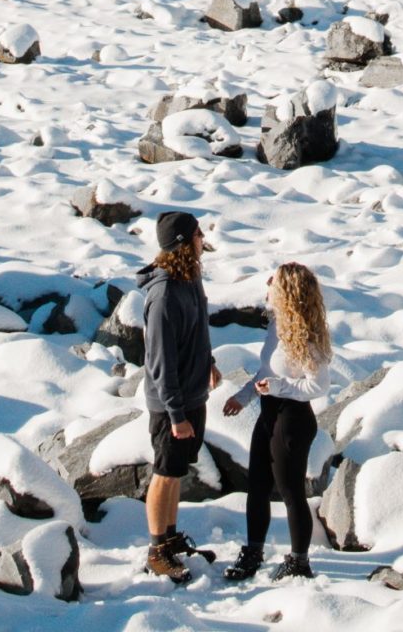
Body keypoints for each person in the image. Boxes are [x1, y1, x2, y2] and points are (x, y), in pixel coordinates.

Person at [221, 261, 332, 584]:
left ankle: (300, 561)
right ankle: (253, 551)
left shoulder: (307, 335)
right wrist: (242, 397)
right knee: (256, 485)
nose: (267, 285)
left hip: (294, 418)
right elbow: (266, 374)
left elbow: (318, 386)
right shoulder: (277, 325)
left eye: (274, 283)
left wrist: (279, 388)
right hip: (270, 413)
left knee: (290, 490)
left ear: (287, 293)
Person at [140, 210, 221, 584]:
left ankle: (170, 539)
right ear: (183, 243)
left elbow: (194, 334)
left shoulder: (189, 279)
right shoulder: (165, 293)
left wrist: (210, 361)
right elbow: (159, 360)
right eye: (198, 234)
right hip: (171, 402)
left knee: (175, 473)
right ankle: (157, 551)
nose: (203, 238)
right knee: (165, 473)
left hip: (192, 393)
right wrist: (175, 414)